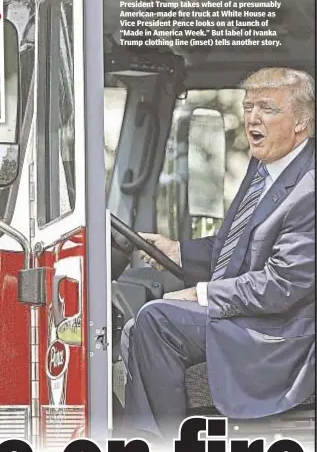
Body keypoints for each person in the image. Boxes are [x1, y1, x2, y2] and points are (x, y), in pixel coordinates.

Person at [121, 67, 315, 440]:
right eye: (248, 107)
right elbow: (236, 249)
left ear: (301, 122)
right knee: (134, 329)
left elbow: (283, 284)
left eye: (268, 109)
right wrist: (177, 251)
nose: (253, 118)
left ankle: (166, 442)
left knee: (156, 321)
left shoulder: (308, 189)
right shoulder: (264, 168)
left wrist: (201, 294)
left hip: (280, 335)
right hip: (251, 318)